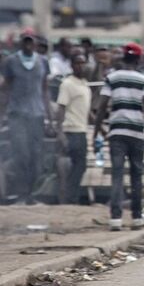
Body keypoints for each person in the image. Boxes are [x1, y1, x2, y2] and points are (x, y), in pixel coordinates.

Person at [94, 43, 144, 230]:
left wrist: (97, 130)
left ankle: (115, 218)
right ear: (138, 60)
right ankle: (137, 217)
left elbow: (101, 107)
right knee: (136, 175)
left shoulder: (112, 78)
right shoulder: (143, 80)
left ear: (123, 58)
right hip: (137, 133)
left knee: (117, 174)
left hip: (117, 133)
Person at [1, 33, 54, 204]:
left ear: (35, 44)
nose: (28, 45)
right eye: (25, 42)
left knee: (35, 155)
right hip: (17, 114)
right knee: (20, 154)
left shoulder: (42, 62)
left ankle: (32, 194)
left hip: (36, 114)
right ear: (21, 43)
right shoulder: (11, 62)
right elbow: (7, 89)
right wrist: (2, 114)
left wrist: (50, 118)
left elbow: (45, 90)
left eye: (31, 42)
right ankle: (21, 193)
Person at [57, 50, 93, 204]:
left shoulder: (84, 84)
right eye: (77, 63)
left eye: (83, 63)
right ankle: (69, 198)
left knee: (81, 166)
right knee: (76, 166)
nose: (81, 66)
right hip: (71, 130)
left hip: (82, 130)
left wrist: (101, 128)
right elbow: (61, 108)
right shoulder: (67, 84)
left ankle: (71, 196)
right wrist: (60, 132)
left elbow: (87, 109)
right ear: (72, 65)